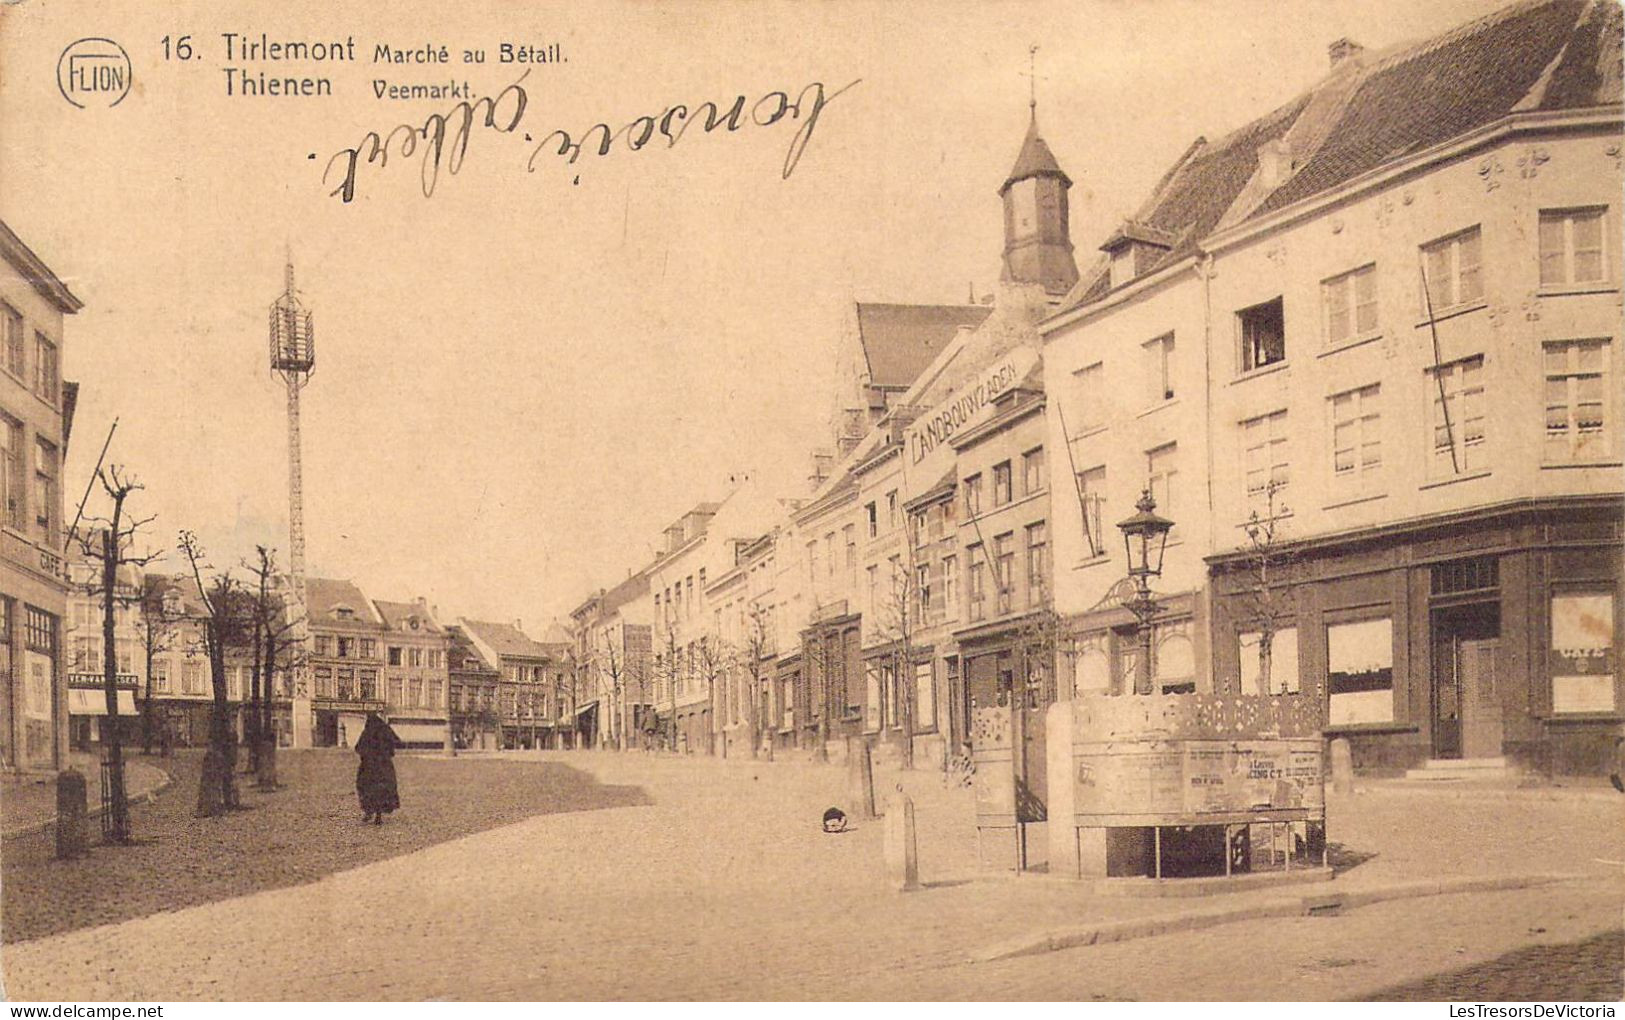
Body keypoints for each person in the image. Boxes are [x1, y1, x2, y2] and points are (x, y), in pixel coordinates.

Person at [355, 713, 403, 825]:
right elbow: (397, 742)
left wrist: (366, 754)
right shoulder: (386, 731)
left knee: (366, 788)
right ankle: (378, 815)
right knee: (382, 789)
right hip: (384, 766)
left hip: (368, 767)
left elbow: (358, 747)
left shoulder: (367, 732)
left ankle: (368, 811)